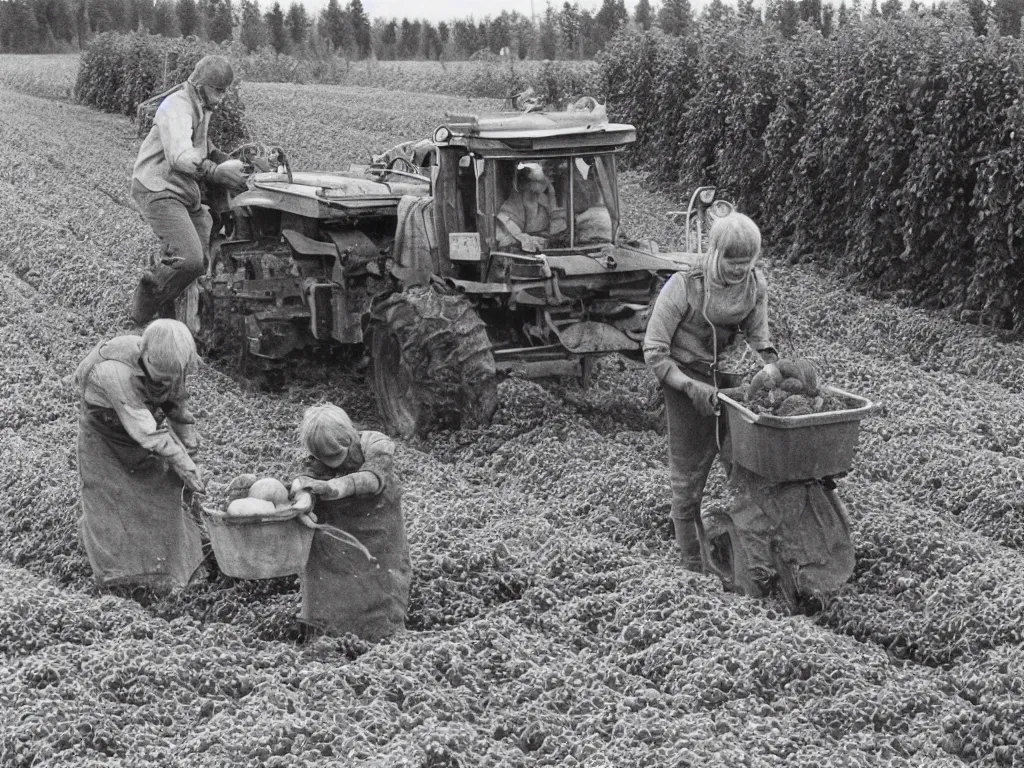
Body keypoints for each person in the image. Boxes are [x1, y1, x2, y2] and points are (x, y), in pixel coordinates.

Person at [643, 213, 779, 573]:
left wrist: (771, 367)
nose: (739, 270)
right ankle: (692, 562)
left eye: (746, 263)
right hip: (685, 380)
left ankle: (751, 551)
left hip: (730, 382)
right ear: (714, 252)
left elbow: (759, 337)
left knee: (745, 464)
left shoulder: (754, 285)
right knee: (688, 474)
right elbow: (654, 351)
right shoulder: (683, 285)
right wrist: (690, 386)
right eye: (731, 262)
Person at [74, 319, 206, 596]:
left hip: (142, 430)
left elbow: (177, 407)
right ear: (145, 354)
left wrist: (192, 453)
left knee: (165, 493)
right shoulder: (115, 371)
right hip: (105, 433)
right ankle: (118, 580)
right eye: (161, 377)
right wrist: (185, 465)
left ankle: (172, 571)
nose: (168, 383)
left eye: (173, 378)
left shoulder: (172, 366)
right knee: (109, 503)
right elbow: (148, 432)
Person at [130, 54, 248, 325]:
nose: (221, 98)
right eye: (217, 90)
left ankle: (169, 317)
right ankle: (142, 309)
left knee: (202, 260)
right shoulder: (177, 108)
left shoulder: (201, 107)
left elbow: (202, 147)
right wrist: (216, 172)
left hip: (184, 190)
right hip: (158, 188)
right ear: (200, 85)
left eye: (224, 91)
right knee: (190, 259)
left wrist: (225, 159)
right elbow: (181, 156)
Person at [290, 405, 411, 642]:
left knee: (382, 589)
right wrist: (303, 495)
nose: (330, 463)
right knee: (331, 591)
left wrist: (336, 487)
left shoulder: (376, 444)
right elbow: (304, 481)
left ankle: (384, 637)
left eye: (335, 455)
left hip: (381, 533)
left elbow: (372, 479)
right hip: (338, 540)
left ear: (349, 437)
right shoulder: (315, 461)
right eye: (323, 456)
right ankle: (325, 635)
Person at [496, 163, 566, 252]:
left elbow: (559, 231)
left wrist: (552, 203)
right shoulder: (509, 209)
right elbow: (509, 240)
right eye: (537, 181)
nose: (548, 182)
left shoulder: (545, 201)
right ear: (525, 184)